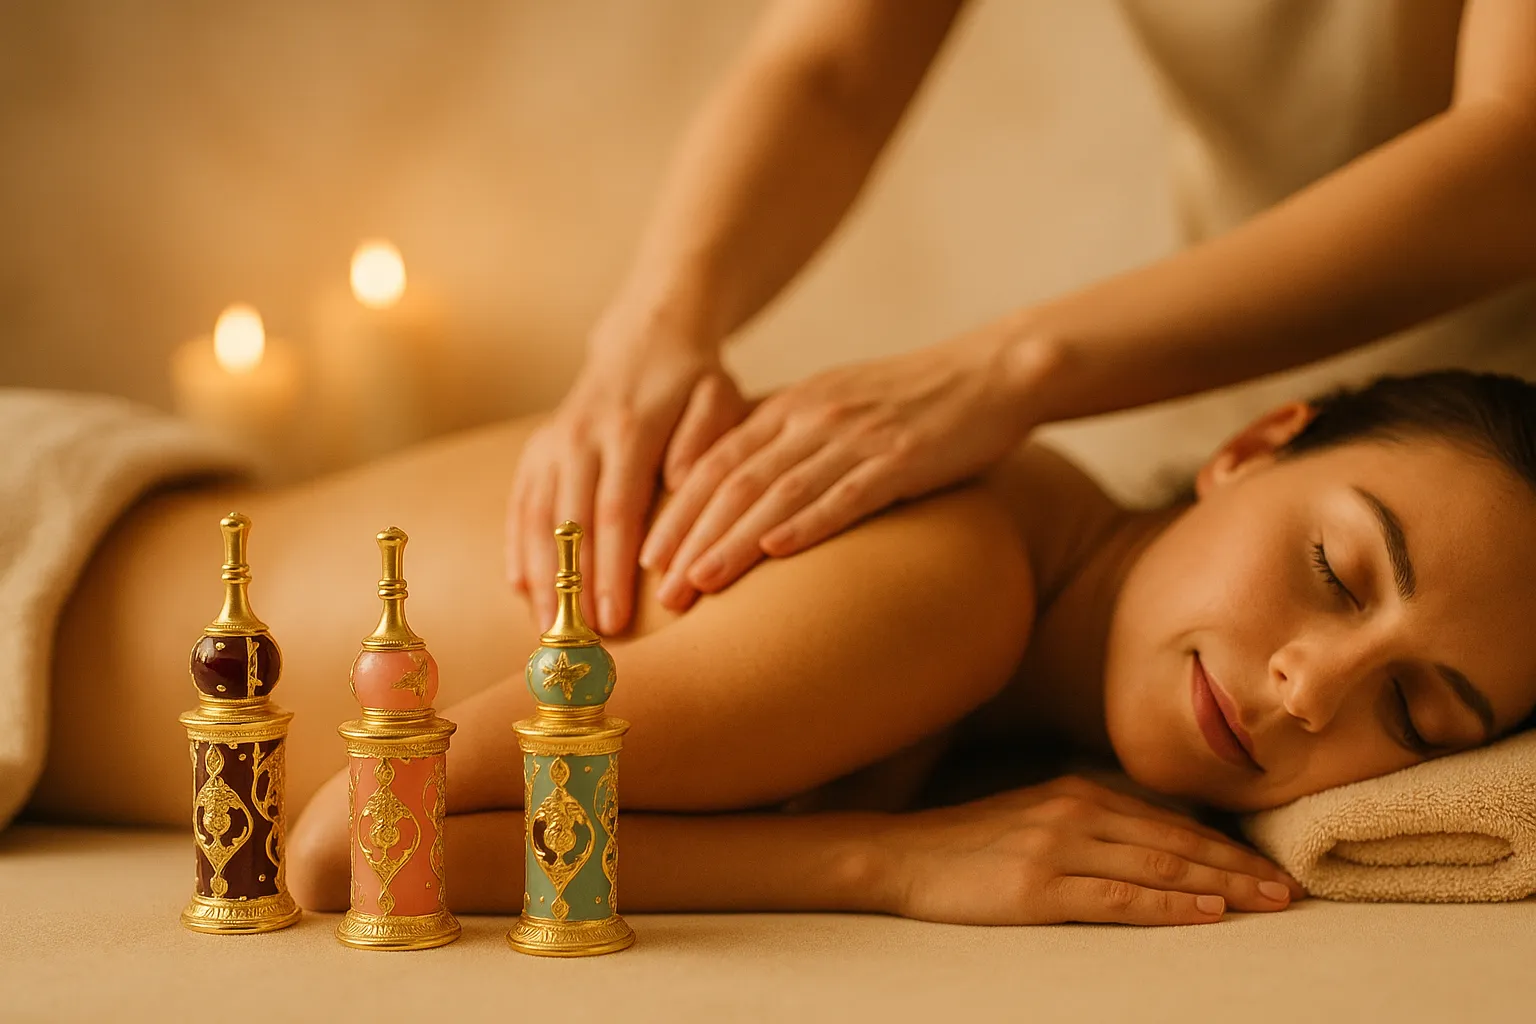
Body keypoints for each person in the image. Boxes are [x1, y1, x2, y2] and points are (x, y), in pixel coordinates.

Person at [27, 369, 1536, 926]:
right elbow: (358, 843)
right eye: (1337, 572)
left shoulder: (1032, 567)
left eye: (1413, 712)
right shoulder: (956, 585)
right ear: (1253, 443)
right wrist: (889, 864)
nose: (1310, 689)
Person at [504, 0, 1536, 641]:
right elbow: (830, 65)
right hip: (1253, 399)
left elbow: (1514, 153)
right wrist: (654, 322)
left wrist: (1008, 367)